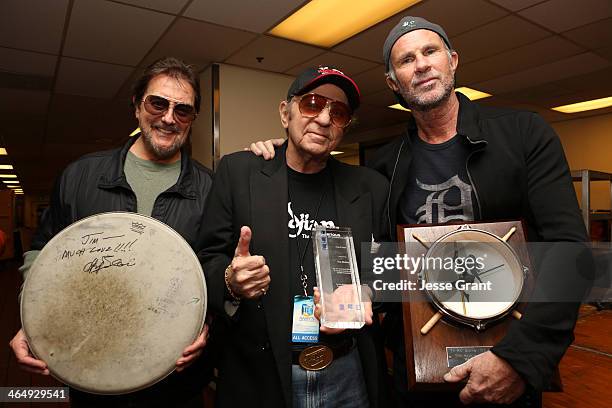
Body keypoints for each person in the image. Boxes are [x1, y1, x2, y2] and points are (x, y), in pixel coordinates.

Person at [250, 16, 590, 407]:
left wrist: (519, 359)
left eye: (430, 51)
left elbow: (570, 254)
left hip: (507, 362)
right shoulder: (382, 168)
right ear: (394, 82)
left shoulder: (524, 135)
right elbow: (379, 267)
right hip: (419, 369)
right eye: (407, 59)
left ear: (453, 60)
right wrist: (281, 155)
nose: (422, 64)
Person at [9, 56, 214, 408]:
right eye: (158, 103)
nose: (168, 117)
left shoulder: (210, 190)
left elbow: (216, 267)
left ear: (192, 119)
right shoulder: (80, 176)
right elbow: (42, 253)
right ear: (137, 106)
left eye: (183, 110)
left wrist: (208, 321)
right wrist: (34, 316)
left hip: (177, 384)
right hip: (93, 373)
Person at [199, 66, 389, 407]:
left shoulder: (370, 187)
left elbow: (387, 272)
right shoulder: (239, 172)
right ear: (285, 113)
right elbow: (206, 261)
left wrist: (367, 294)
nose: (324, 118)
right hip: (262, 374)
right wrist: (230, 280)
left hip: (346, 372)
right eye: (313, 104)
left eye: (339, 112)